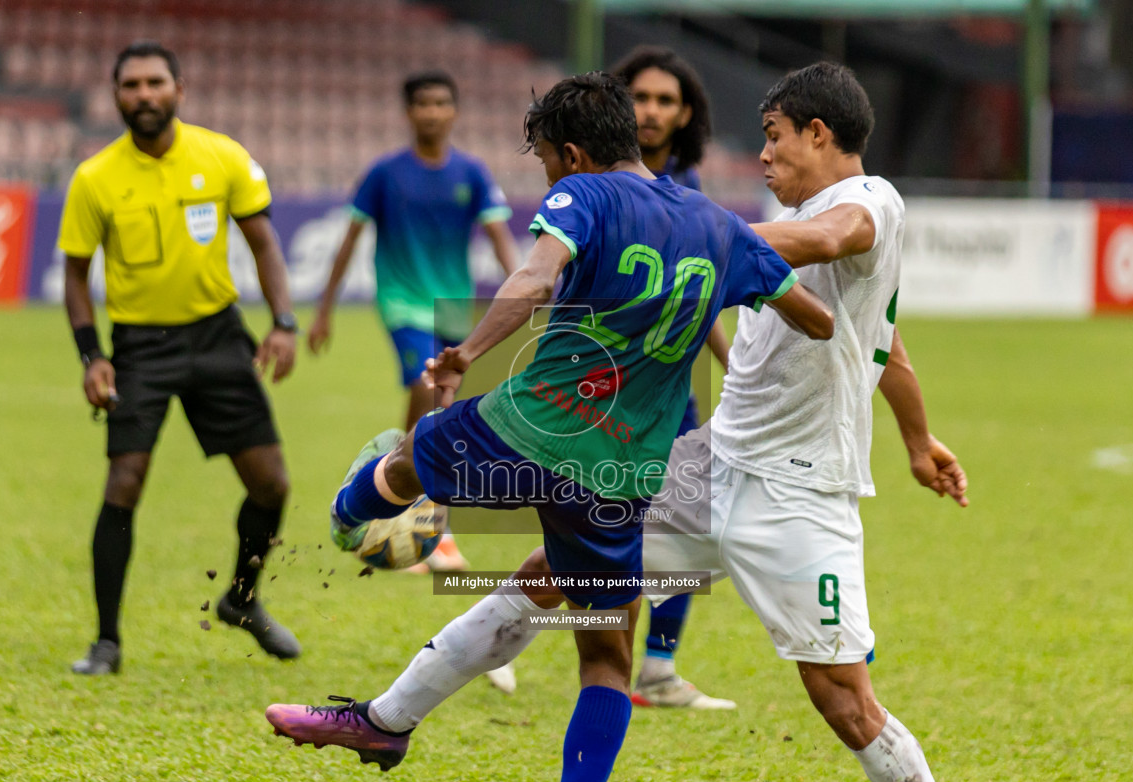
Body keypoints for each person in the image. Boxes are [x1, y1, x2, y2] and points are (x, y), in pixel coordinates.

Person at [271, 62, 1019, 782]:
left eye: (774, 136)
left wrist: (689, 237)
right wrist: (919, 440)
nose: (763, 153)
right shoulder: (763, 218)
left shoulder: (872, 201)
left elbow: (833, 242)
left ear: (819, 134)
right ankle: (385, 721)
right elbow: (884, 341)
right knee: (545, 587)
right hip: (708, 465)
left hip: (803, 496)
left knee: (843, 699)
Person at [481, 45, 733, 707]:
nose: (652, 110)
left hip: (664, 385)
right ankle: (502, 632)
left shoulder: (688, 193)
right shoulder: (592, 187)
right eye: (641, 97)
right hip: (595, 385)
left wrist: (733, 367)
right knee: (586, 530)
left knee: (683, 526)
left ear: (686, 115)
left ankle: (657, 667)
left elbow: (696, 295)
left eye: (666, 101)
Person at [61, 41, 301, 676]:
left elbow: (265, 245)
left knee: (271, 483)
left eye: (155, 82)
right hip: (140, 346)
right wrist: (92, 357)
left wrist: (282, 322)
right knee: (124, 481)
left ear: (179, 89)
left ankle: (242, 600)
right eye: (131, 85)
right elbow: (75, 277)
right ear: (116, 96)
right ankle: (106, 642)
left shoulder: (222, 157)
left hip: (219, 337)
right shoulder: (94, 178)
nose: (144, 95)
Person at [307, 71, 519, 572]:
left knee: (449, 410)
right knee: (426, 387)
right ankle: (409, 500)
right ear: (408, 112)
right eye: (422, 103)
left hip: (454, 304)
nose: (432, 111)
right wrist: (322, 310)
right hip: (402, 300)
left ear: (454, 111)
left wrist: (528, 290)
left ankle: (414, 498)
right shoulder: (384, 173)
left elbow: (500, 238)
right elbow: (349, 241)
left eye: (442, 102)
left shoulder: (471, 172)